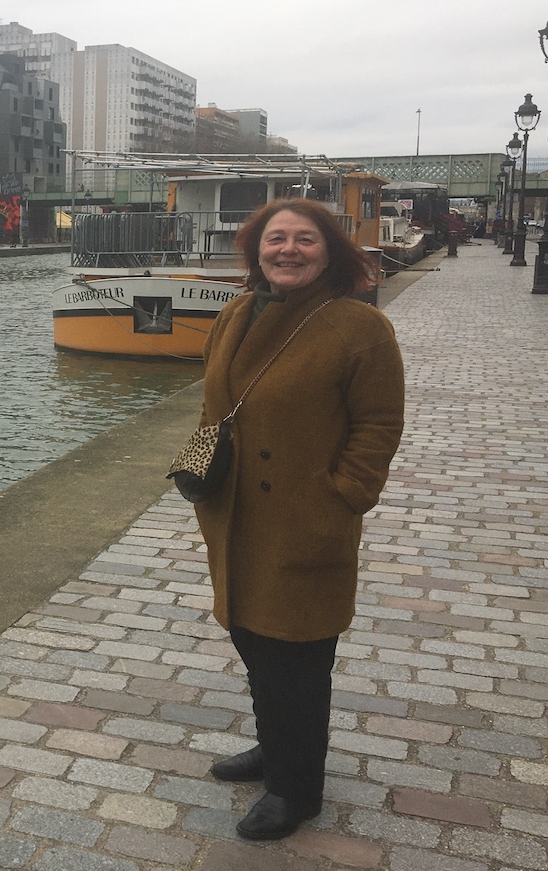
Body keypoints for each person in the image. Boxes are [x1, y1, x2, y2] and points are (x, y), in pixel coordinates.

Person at [191, 198, 405, 841]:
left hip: (305, 519)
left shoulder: (356, 327)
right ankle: (273, 747)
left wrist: (343, 494)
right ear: (256, 250)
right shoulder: (235, 312)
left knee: (298, 661)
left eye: (304, 240)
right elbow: (213, 405)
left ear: (330, 250)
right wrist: (198, 474)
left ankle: (296, 787)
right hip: (237, 513)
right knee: (254, 644)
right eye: (274, 239)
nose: (287, 250)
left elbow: (378, 425)